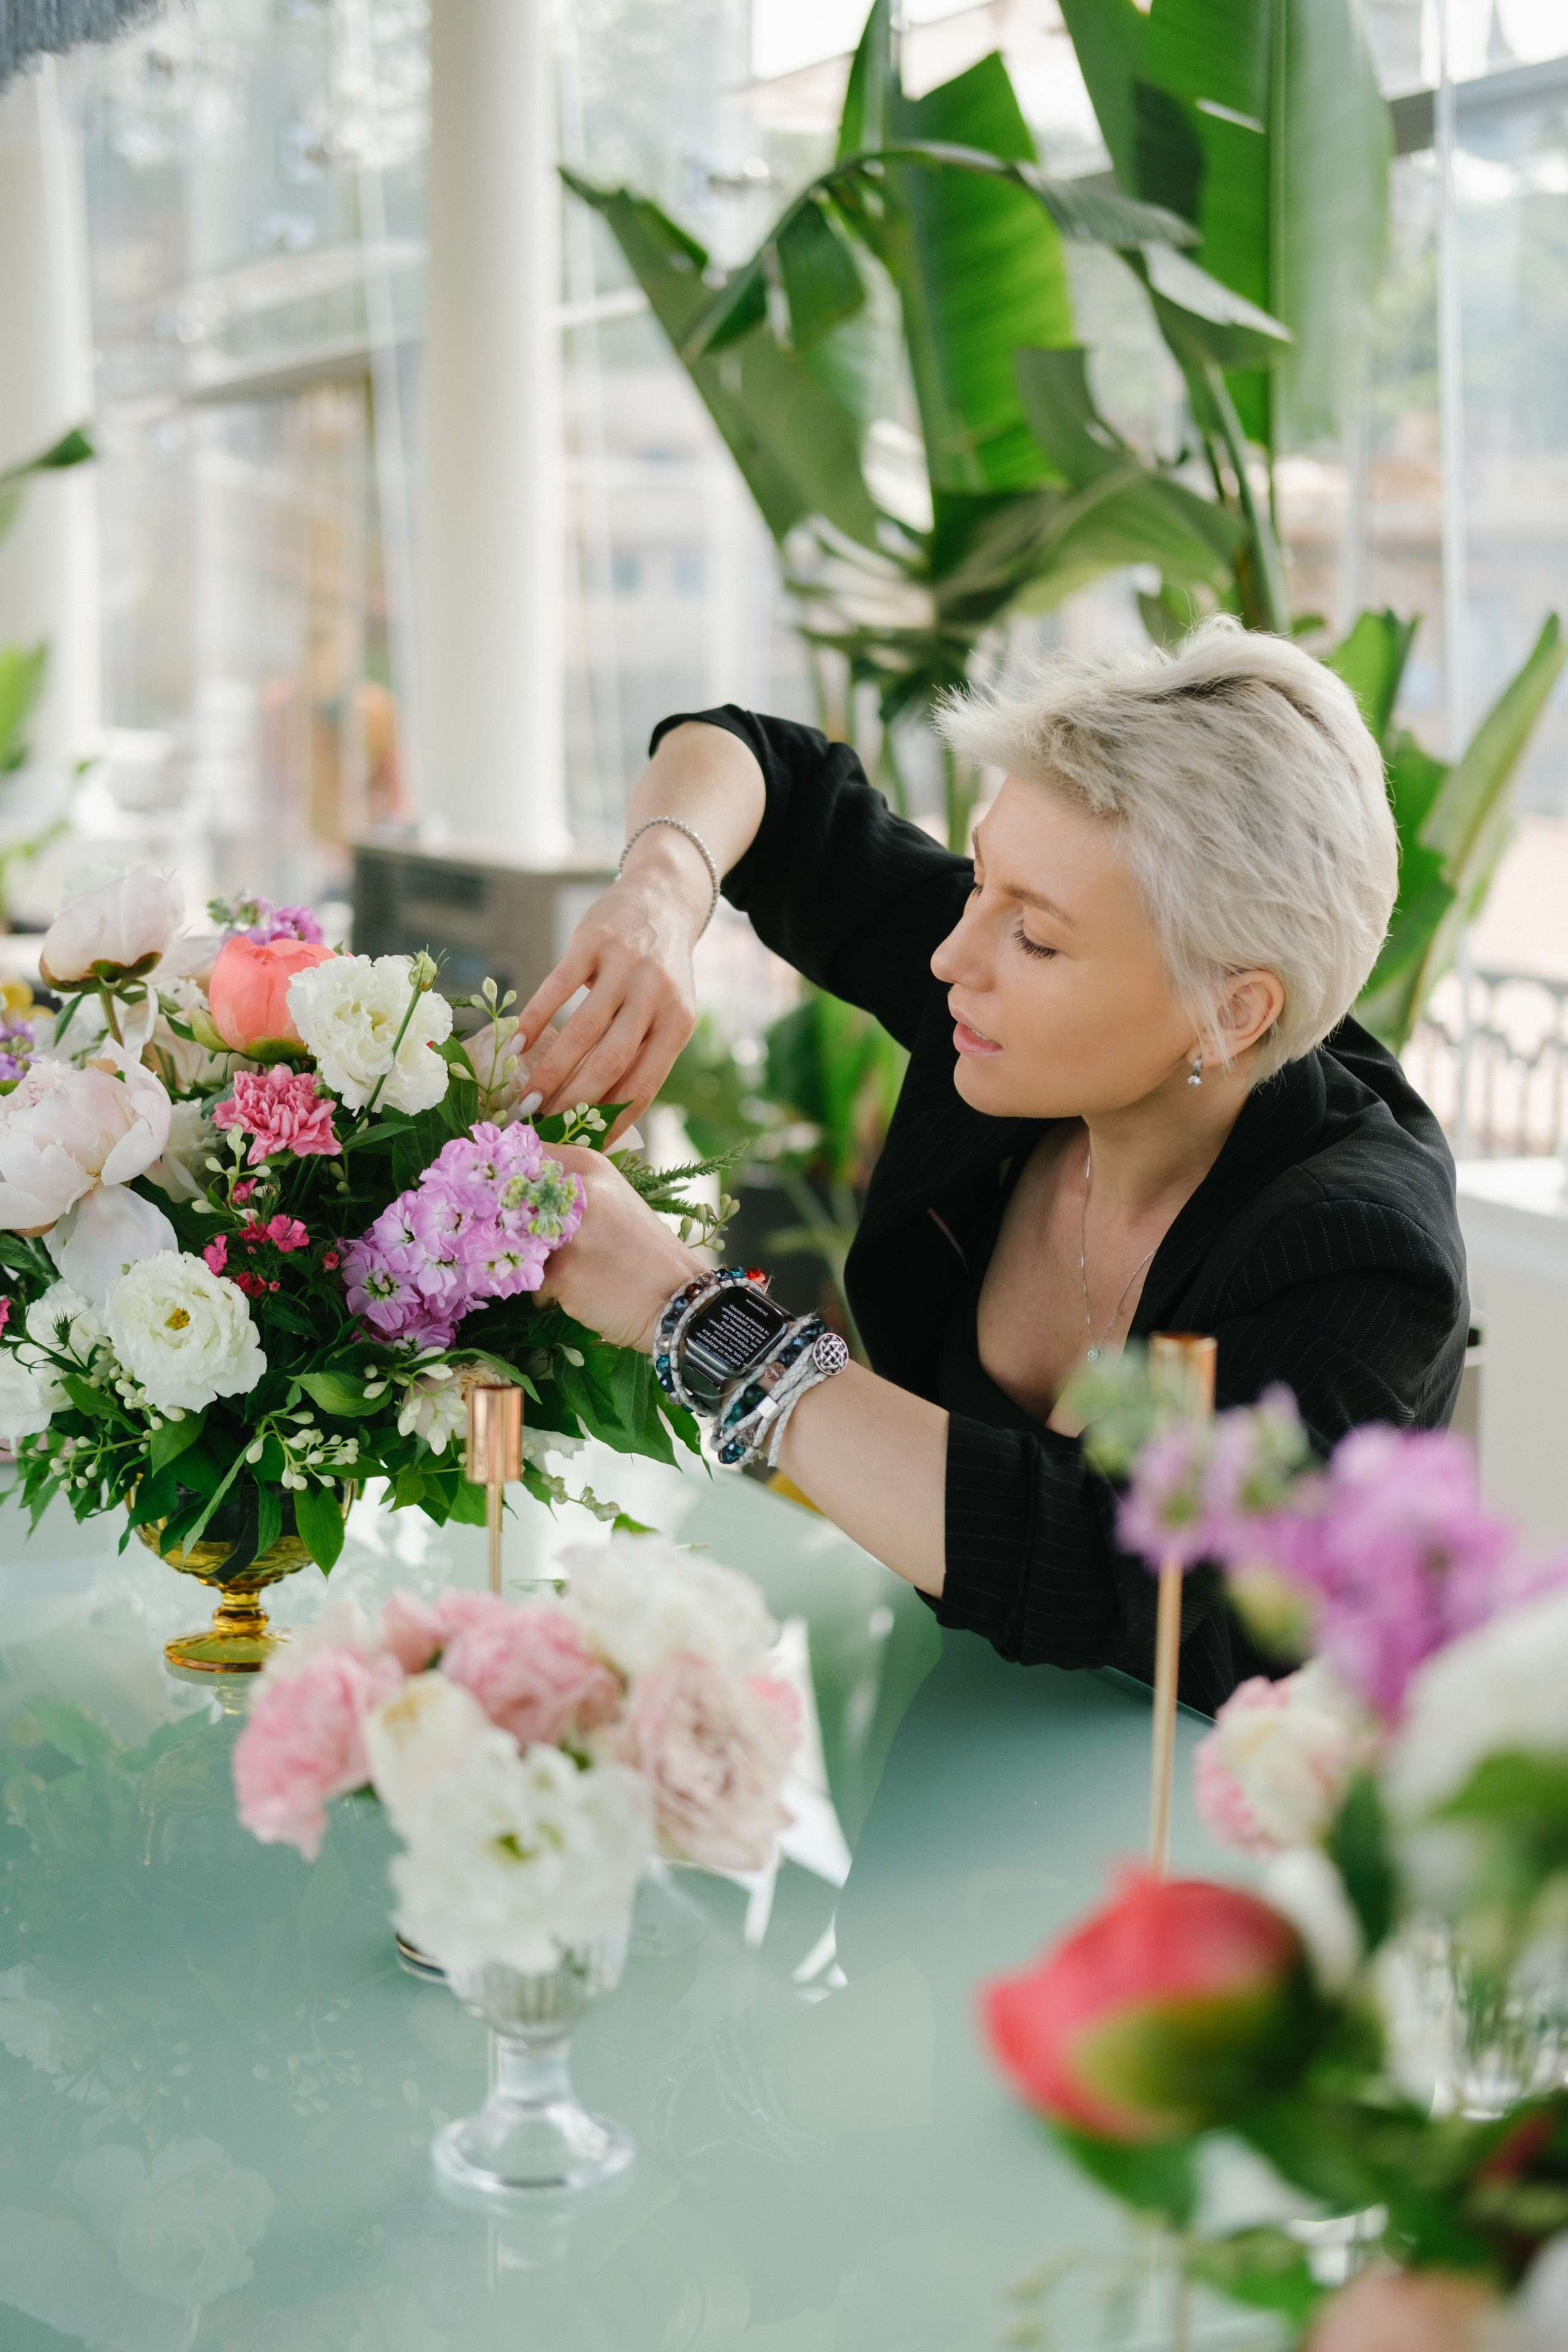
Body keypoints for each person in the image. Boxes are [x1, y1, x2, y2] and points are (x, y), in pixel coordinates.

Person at [518, 619, 1468, 1709]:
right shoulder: (1006, 1010)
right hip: (957, 1723)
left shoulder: (1361, 1253)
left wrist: (689, 1316)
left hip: (1215, 1824)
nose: (952, 956)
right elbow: (760, 769)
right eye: (979, 883)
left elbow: (1100, 1568)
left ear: (1233, 1010)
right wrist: (660, 894)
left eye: (1039, 940)